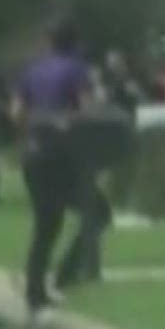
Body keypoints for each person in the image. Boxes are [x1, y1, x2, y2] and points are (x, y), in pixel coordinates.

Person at [10, 21, 112, 313]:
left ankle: (35, 289)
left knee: (45, 224)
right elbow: (87, 110)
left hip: (33, 154)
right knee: (99, 213)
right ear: (75, 43)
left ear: (49, 41)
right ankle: (67, 274)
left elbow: (16, 112)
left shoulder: (31, 71)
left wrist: (31, 131)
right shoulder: (76, 69)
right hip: (63, 155)